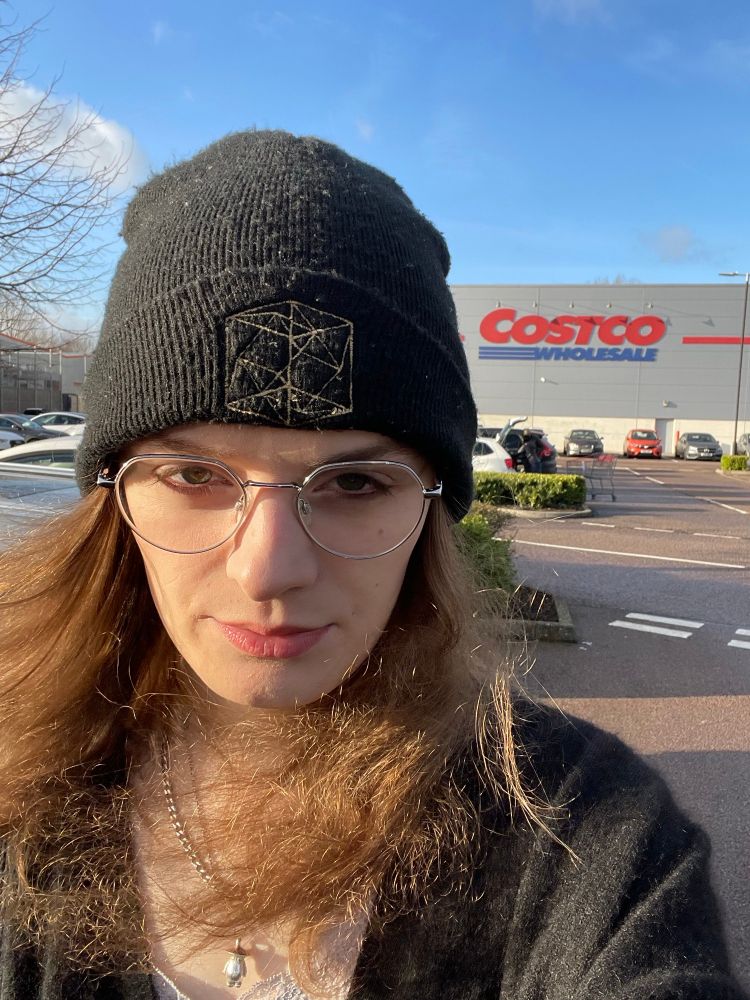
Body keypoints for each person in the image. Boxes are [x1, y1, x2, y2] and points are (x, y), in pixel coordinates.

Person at [0, 130, 745, 1000]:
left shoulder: (585, 832)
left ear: (431, 510)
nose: (267, 570)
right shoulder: (23, 797)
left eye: (354, 480)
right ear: (113, 501)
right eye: (194, 474)